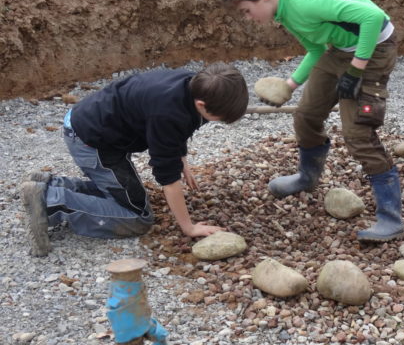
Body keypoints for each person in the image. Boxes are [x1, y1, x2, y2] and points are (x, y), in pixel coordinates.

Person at [221, 0, 404, 242]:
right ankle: (307, 177)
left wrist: (356, 71)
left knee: (357, 133)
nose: (248, 18)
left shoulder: (304, 2)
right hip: (340, 50)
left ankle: (391, 218)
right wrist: (290, 85)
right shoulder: (284, 13)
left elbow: (374, 18)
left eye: (246, 10)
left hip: (374, 50)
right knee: (306, 116)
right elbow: (317, 50)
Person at [20, 63, 249, 256]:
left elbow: (180, 131)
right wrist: (188, 228)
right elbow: (167, 180)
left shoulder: (193, 84)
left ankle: (48, 184)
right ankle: (51, 202)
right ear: (201, 105)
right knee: (137, 217)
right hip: (92, 142)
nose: (217, 121)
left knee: (126, 195)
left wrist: (182, 160)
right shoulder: (168, 114)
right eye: (218, 118)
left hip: (95, 124)